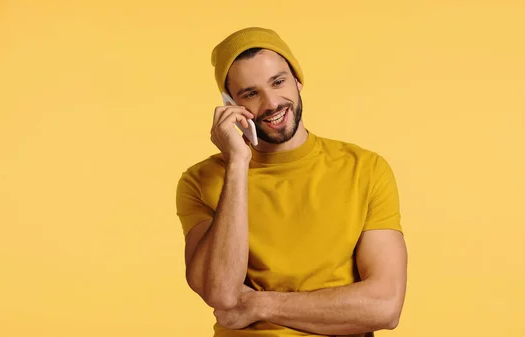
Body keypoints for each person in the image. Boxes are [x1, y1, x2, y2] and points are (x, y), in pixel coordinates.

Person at [175, 27, 408, 337]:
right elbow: (221, 294)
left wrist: (259, 305)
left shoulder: (365, 169)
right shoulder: (201, 181)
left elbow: (384, 307)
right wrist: (238, 163)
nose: (271, 103)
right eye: (251, 93)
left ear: (298, 81)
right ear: (230, 103)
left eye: (278, 82)